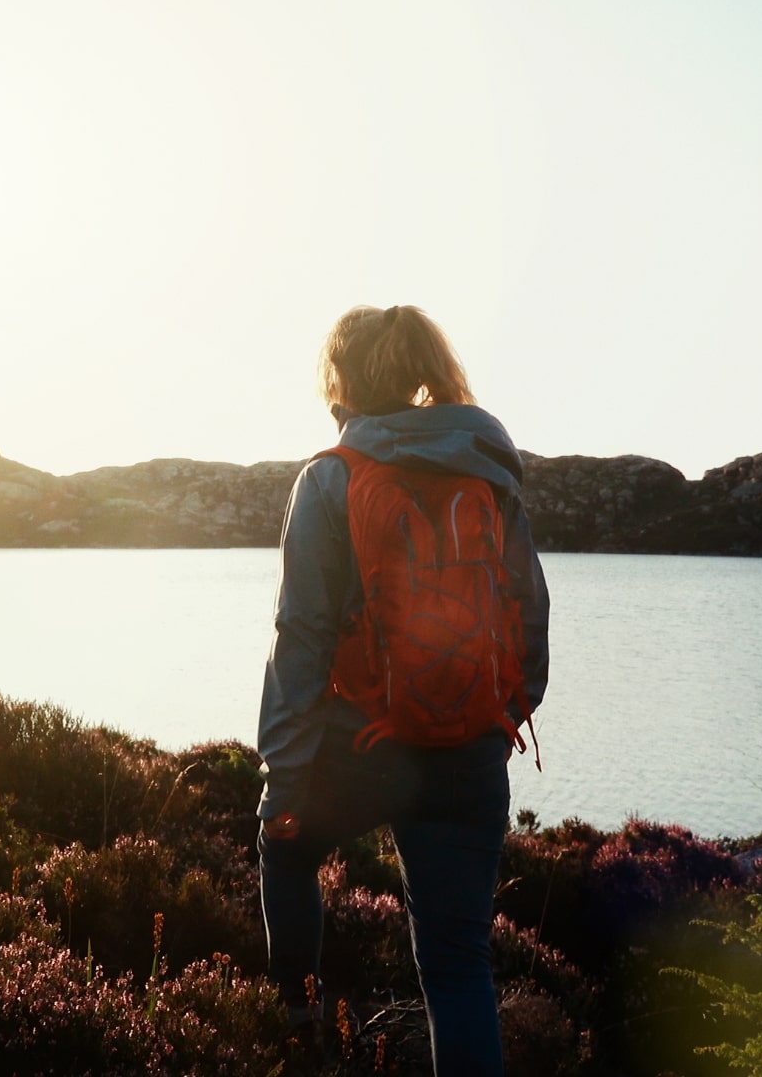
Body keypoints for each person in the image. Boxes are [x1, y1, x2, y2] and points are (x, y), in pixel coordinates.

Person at [257, 304, 550, 1076]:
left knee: (283, 853)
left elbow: (302, 640)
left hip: (360, 747)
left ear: (342, 382)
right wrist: (497, 719)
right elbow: (532, 612)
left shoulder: (329, 479)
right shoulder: (486, 470)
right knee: (457, 968)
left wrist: (284, 781)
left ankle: (300, 1023)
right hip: (470, 752)